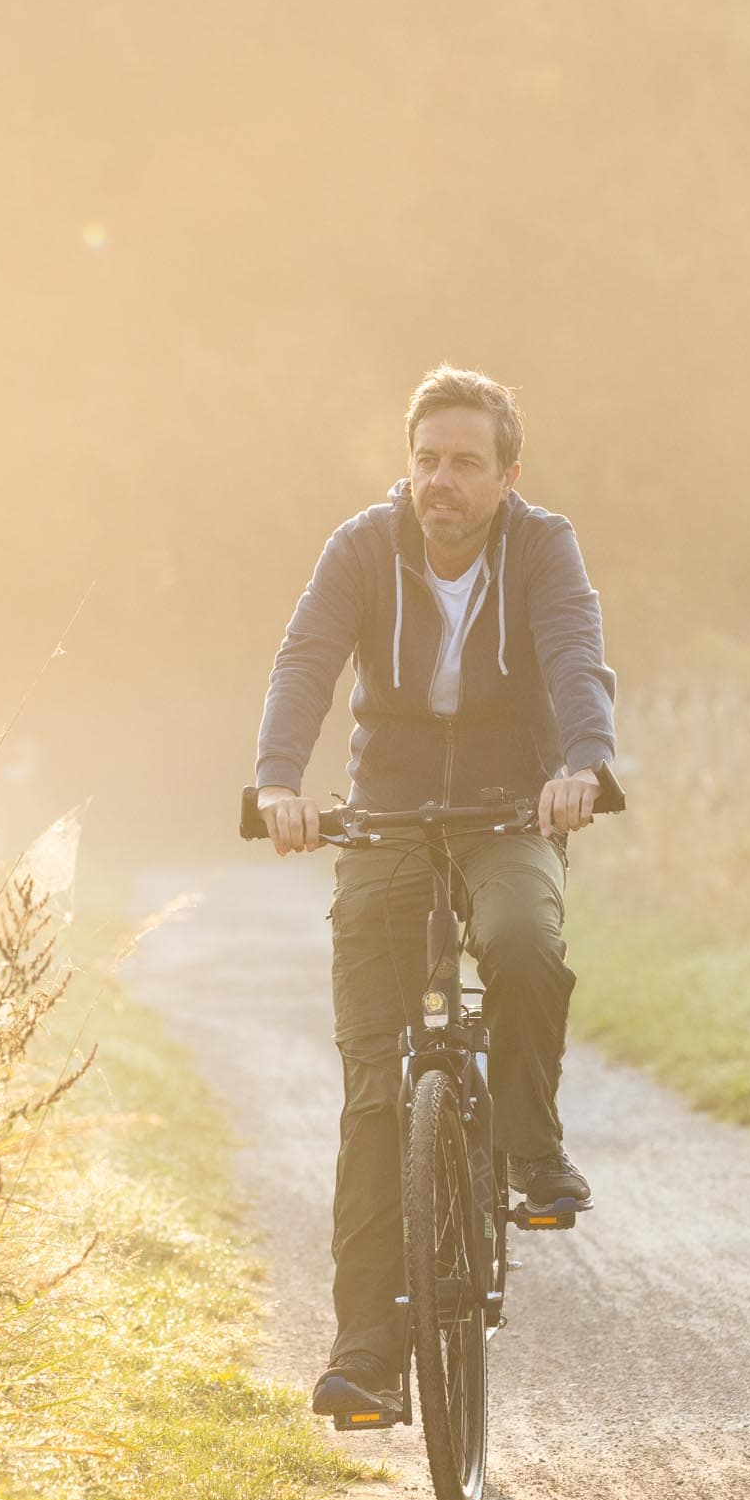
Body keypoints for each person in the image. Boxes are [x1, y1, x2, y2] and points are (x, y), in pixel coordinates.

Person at [253, 364, 619, 1423]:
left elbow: (575, 657)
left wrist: (584, 766)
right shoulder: (362, 546)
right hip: (386, 814)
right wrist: (279, 780)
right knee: (375, 1094)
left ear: (509, 473)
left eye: (464, 462)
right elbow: (308, 658)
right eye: (425, 460)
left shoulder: (543, 547)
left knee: (522, 943)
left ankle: (527, 1141)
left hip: (514, 806)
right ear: (405, 467)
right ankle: (366, 1354)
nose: (440, 481)